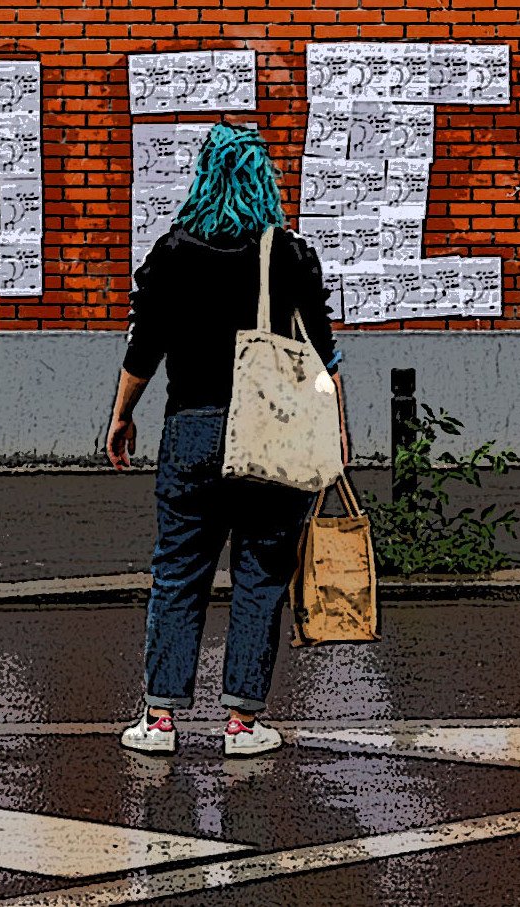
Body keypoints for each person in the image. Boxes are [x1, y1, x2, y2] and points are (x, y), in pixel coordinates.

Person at [105, 122, 349, 758]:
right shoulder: (288, 254)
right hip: (271, 433)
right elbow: (324, 356)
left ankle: (159, 719)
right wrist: (334, 437)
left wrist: (121, 415)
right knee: (261, 573)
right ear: (263, 181)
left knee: (179, 571)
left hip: (193, 428)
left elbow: (144, 347)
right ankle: (242, 721)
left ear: (203, 178)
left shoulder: (172, 254)